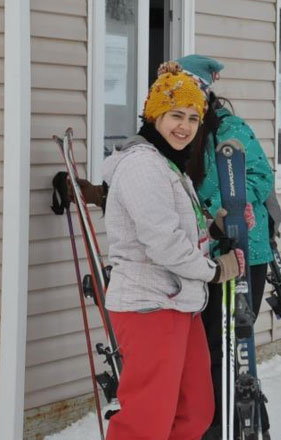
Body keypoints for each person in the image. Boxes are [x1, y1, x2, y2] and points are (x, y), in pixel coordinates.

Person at [102, 63, 245, 439]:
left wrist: (213, 225)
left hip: (180, 302)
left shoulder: (169, 164)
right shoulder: (142, 167)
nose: (184, 126)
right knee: (146, 419)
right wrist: (215, 271)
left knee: (193, 410)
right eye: (176, 115)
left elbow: (179, 229)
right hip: (149, 304)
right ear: (155, 115)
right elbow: (163, 243)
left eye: (193, 118)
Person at [173, 55, 276, 440]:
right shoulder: (171, 132)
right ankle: (206, 420)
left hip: (243, 250)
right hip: (196, 257)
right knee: (204, 344)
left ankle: (234, 423)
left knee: (230, 341)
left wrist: (231, 205)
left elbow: (260, 176)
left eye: (192, 94)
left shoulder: (230, 129)